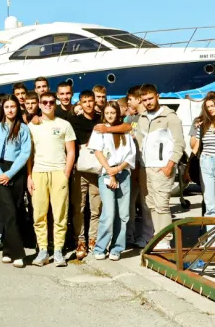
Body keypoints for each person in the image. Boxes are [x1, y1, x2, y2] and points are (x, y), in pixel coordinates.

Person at [133, 84, 185, 250]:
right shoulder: (141, 118)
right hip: (145, 167)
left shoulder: (170, 117)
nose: (148, 102)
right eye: (145, 100)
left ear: (157, 96)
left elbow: (179, 144)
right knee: (149, 205)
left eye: (150, 98)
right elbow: (139, 143)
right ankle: (152, 235)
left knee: (162, 205)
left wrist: (170, 165)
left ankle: (165, 240)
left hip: (162, 167)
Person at [28, 92, 76, 267]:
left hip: (58, 172)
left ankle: (58, 251)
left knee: (60, 214)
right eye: (44, 102)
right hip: (38, 173)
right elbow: (29, 155)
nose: (48, 105)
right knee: (39, 214)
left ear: (54, 104)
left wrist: (66, 173)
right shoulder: (32, 126)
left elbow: (71, 150)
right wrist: (29, 176)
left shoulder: (64, 125)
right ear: (39, 105)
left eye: (51, 102)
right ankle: (42, 250)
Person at [0, 96, 33, 268]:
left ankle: (7, 249)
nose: (10, 110)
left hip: (16, 171)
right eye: (7, 107)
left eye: (13, 106)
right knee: (9, 210)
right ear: (2, 109)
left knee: (15, 210)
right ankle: (19, 253)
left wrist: (10, 174)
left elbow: (25, 153)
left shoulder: (23, 129)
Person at [90, 101, 137, 260]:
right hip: (106, 172)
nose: (110, 116)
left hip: (123, 173)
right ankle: (100, 247)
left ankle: (117, 248)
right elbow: (98, 152)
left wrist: (118, 169)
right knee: (109, 213)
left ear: (118, 113)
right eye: (107, 113)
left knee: (123, 214)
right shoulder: (99, 130)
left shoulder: (124, 131)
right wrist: (110, 172)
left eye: (113, 112)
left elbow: (131, 154)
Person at [67, 90, 102, 259]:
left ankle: (93, 239)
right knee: (78, 208)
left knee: (96, 208)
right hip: (79, 169)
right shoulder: (73, 122)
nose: (88, 104)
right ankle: (80, 240)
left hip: (97, 169)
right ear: (79, 103)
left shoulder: (101, 119)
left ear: (95, 102)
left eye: (90, 101)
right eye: (84, 101)